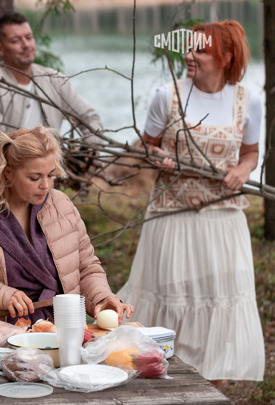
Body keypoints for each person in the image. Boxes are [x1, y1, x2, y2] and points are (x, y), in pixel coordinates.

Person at [117, 21, 265, 384]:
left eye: (200, 49)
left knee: (218, 298)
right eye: (188, 48)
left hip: (223, 217)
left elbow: (250, 153)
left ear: (226, 56)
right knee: (172, 294)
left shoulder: (248, 100)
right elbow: (147, 147)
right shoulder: (165, 95)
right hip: (172, 214)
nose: (188, 55)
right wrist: (158, 157)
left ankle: (212, 377)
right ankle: (162, 372)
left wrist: (243, 172)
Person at [0, 127, 132, 325]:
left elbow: (85, 267)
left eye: (51, 175)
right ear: (8, 173)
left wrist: (101, 298)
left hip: (62, 333)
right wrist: (1, 295)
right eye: (34, 177)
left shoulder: (61, 206)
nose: (45, 185)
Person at [0, 12, 103, 183]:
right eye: (16, 41)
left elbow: (89, 117)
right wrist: (41, 158)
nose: (26, 45)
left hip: (46, 190)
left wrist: (90, 150)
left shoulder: (54, 80)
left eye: (29, 38)